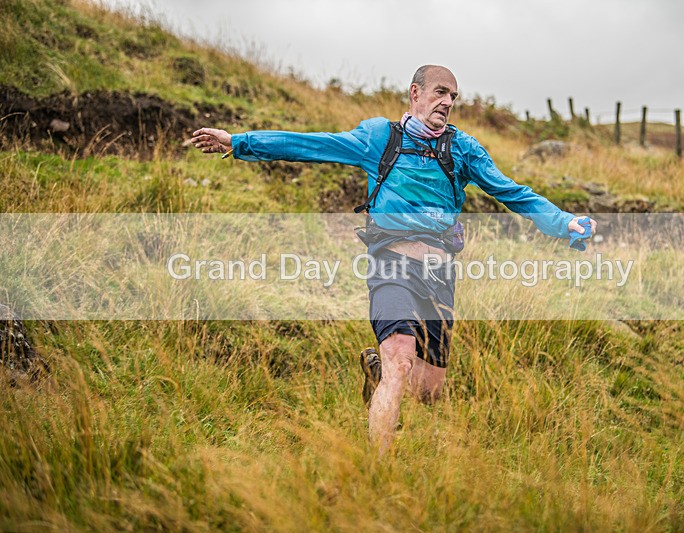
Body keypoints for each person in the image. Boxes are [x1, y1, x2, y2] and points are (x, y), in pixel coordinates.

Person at [191, 65, 597, 453]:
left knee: (429, 390)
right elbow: (313, 145)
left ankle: (376, 370)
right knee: (400, 358)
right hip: (393, 265)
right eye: (441, 92)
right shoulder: (379, 138)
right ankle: (379, 474)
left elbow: (513, 192)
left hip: (439, 277)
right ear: (415, 93)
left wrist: (564, 223)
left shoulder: (463, 149)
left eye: (453, 96)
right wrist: (238, 141)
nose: (447, 102)